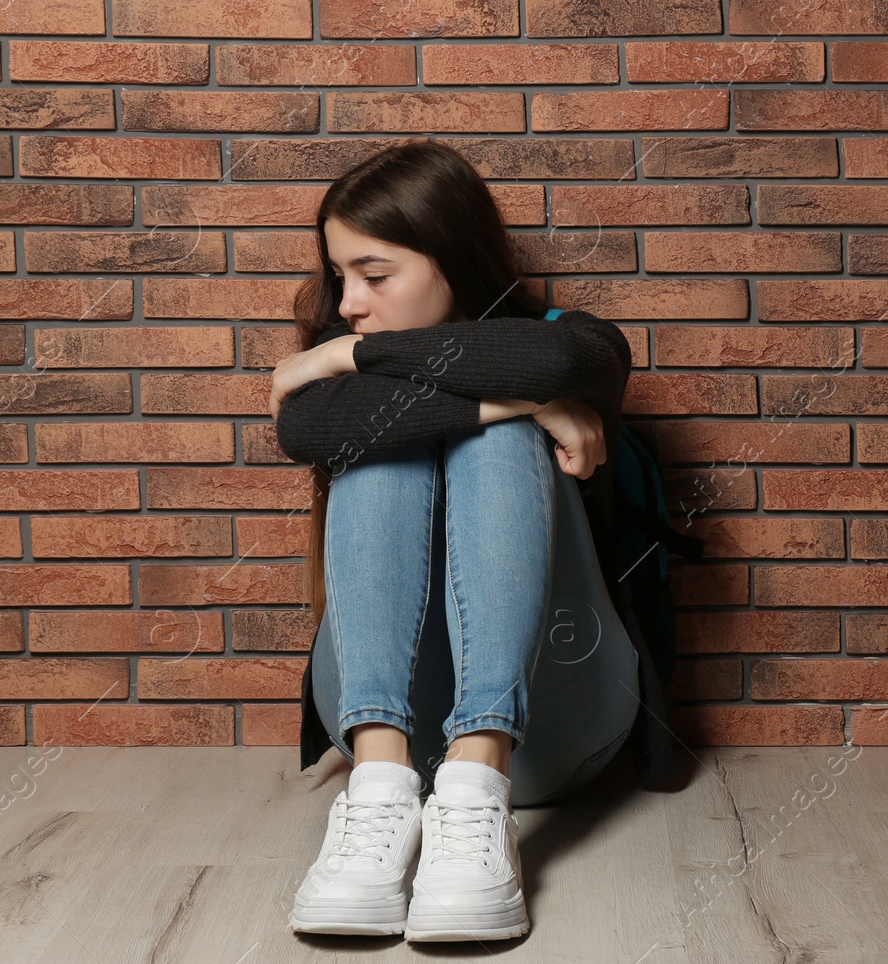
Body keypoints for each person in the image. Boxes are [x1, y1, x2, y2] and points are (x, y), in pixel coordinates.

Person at [268, 140, 638, 941]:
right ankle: (375, 802)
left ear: (450, 256)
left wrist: (354, 357)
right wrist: (531, 403)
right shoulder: (356, 364)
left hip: (556, 724)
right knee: (380, 436)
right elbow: (300, 423)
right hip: (379, 735)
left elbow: (558, 356)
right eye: (340, 280)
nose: (351, 303)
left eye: (374, 274)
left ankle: (476, 792)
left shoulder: (559, 334)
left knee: (478, 441)